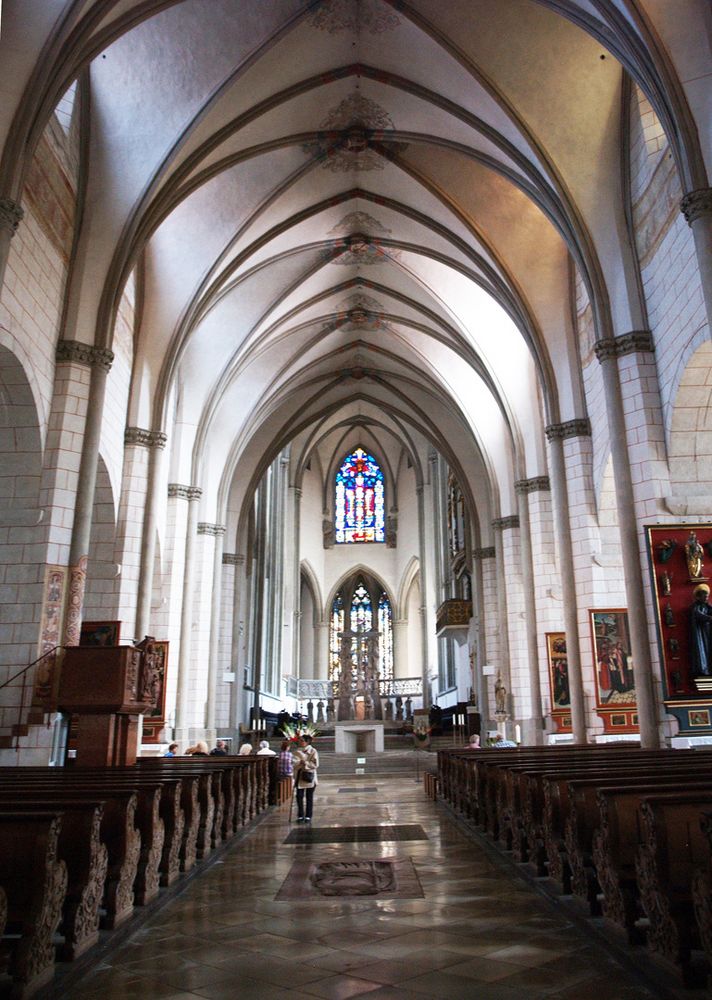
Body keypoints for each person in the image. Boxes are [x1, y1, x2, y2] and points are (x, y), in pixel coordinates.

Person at [293, 734, 319, 823]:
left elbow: (315, 764)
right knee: (299, 796)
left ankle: (308, 816)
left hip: (309, 776)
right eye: (299, 740)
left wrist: (306, 763)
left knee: (309, 797)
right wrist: (299, 763)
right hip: (299, 776)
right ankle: (300, 815)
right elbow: (293, 763)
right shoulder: (296, 751)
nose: (300, 742)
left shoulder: (313, 751)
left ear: (307, 742)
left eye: (302, 740)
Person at [690, 584, 712, 677]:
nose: (706, 598)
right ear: (699, 596)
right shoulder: (696, 606)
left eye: (707, 597)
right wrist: (709, 618)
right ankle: (704, 668)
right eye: (704, 596)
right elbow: (698, 615)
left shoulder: (707, 606)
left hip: (708, 631)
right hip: (700, 632)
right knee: (703, 649)